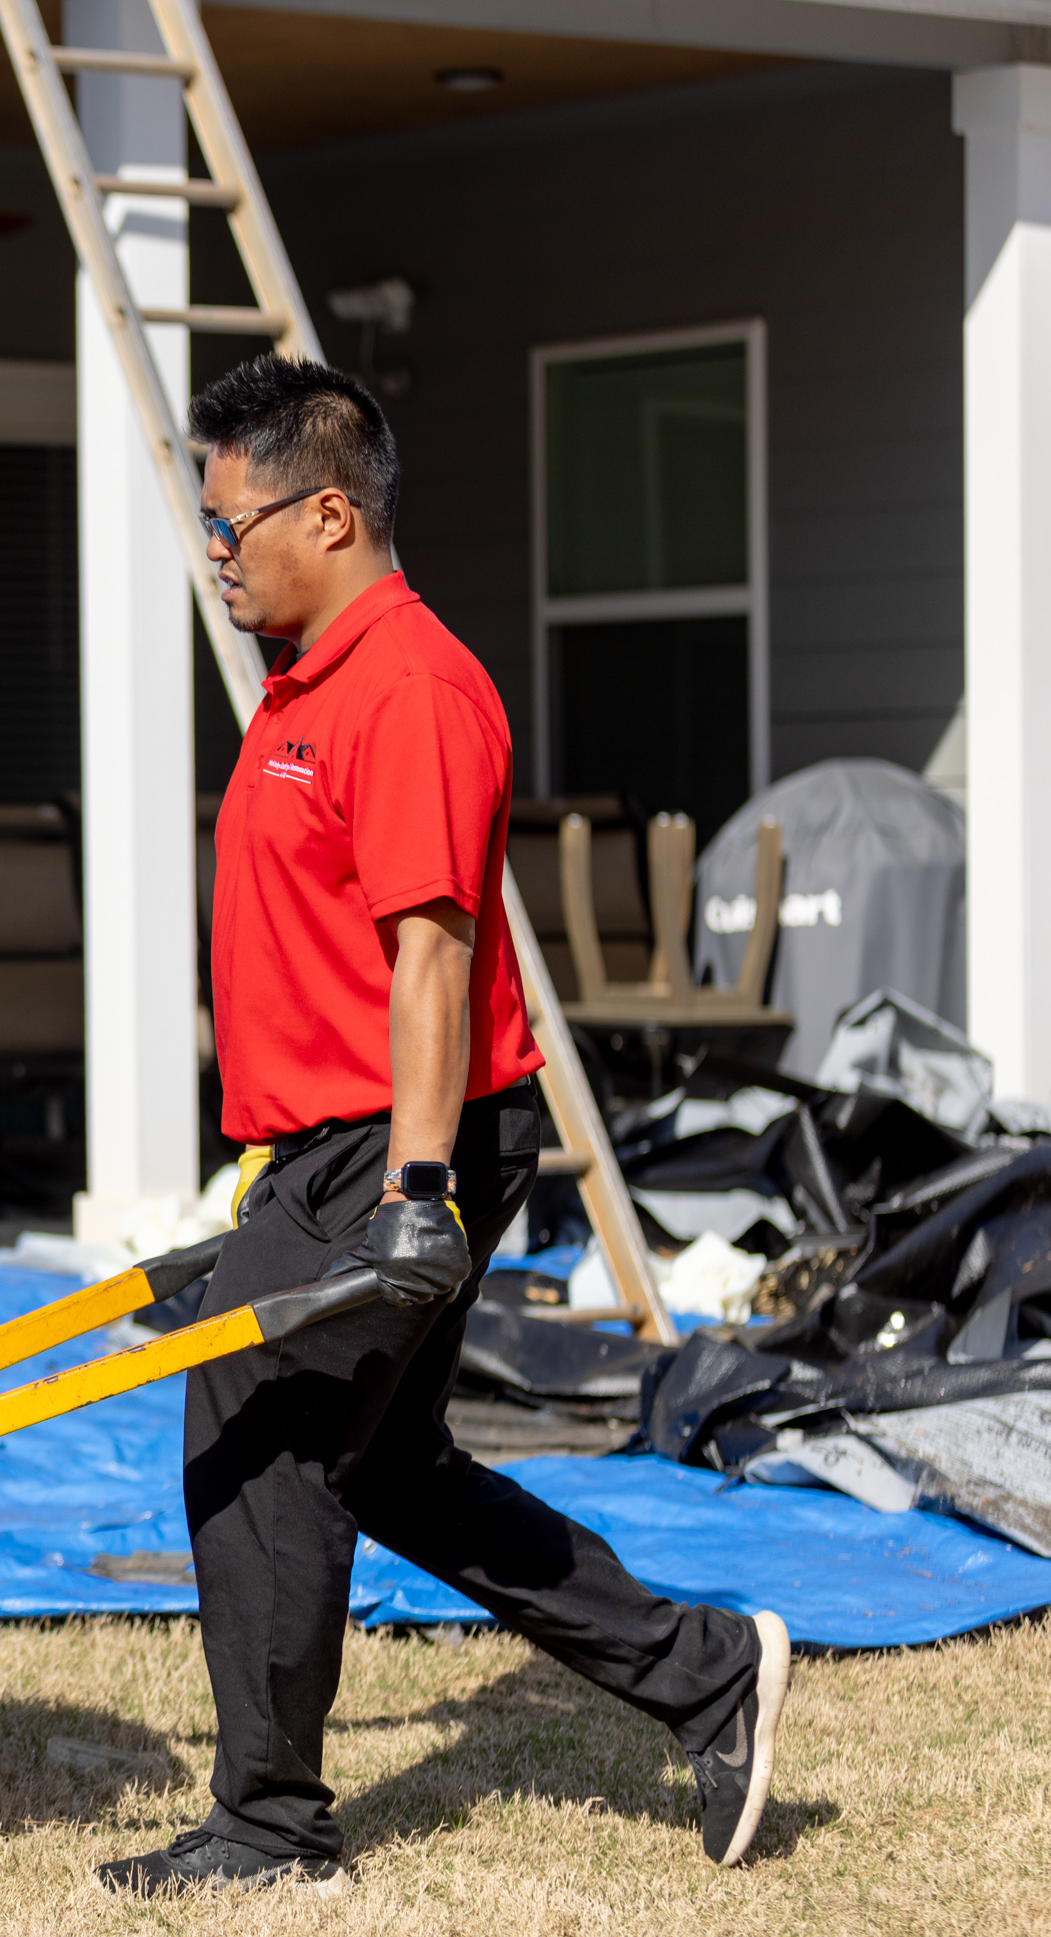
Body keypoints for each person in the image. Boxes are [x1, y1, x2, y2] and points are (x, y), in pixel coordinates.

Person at [96, 357, 790, 1898]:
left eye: (232, 524)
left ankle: (271, 1828)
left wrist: (410, 1191)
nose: (216, 553)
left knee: (254, 1440)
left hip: (398, 1144)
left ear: (330, 512)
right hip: (341, 1144)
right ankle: (708, 1670)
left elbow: (435, 951)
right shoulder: (315, 677)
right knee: (389, 1469)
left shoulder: (406, 685)